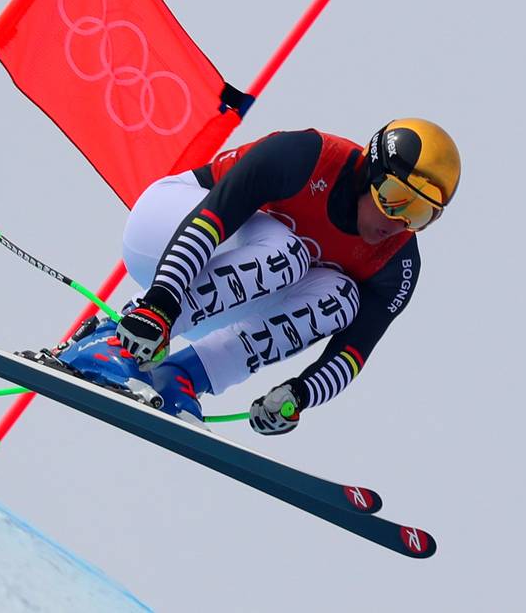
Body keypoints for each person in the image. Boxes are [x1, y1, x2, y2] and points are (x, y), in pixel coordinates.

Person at [53, 118, 461, 435]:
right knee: (290, 253)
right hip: (169, 227)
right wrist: (159, 303)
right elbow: (212, 220)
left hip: (226, 297)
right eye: (394, 198)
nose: (398, 221)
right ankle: (116, 341)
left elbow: (352, 356)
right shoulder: (308, 154)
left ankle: (182, 376)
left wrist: (300, 394)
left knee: (341, 298)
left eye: (419, 215)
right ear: (371, 172)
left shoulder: (397, 262)